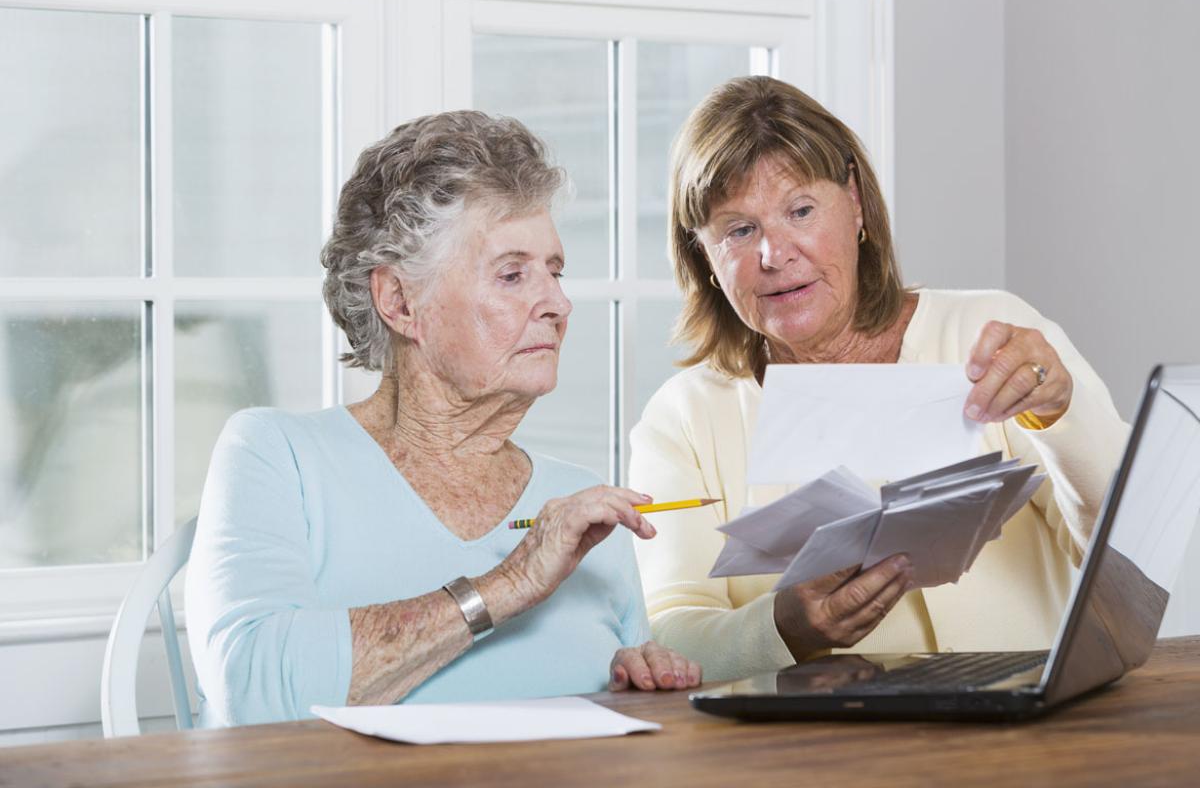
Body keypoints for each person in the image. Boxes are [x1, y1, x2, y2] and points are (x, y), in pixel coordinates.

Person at [185, 110, 701, 727]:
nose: (559, 305)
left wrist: (645, 677)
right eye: (512, 275)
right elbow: (253, 689)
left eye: (555, 271)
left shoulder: (578, 500)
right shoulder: (276, 454)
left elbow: (625, 694)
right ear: (401, 301)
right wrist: (512, 582)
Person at [628, 76, 1129, 681]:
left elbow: (1121, 550)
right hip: (819, 759)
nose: (774, 254)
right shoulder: (682, 416)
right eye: (739, 230)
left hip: (1022, 742)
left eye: (801, 210)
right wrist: (785, 626)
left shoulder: (991, 332)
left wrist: (1059, 415)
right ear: (703, 256)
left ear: (856, 205)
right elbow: (673, 632)